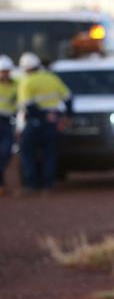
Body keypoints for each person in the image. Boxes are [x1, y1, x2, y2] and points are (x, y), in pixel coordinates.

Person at [16, 51, 72, 193]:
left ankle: (31, 184)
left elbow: (28, 106)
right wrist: (67, 116)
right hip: (52, 123)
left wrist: (42, 116)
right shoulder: (51, 78)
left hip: (35, 123)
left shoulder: (27, 81)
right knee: (50, 154)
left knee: (27, 153)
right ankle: (48, 184)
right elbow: (68, 98)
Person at [0, 55, 17, 196]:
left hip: (7, 121)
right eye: (2, 71)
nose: (4, 74)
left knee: (6, 153)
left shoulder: (16, 85)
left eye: (6, 71)